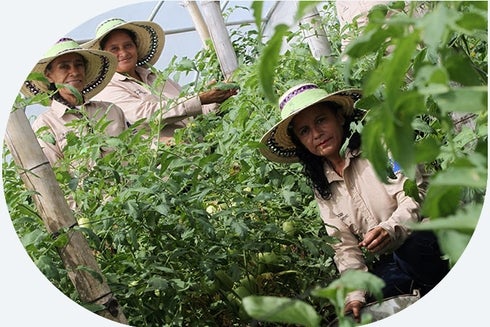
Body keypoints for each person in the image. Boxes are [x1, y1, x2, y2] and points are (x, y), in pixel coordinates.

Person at [259, 83, 450, 321]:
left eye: (321, 120)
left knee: (412, 253)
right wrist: (355, 295)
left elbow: (415, 193)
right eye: (305, 131)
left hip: (432, 234)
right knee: (369, 302)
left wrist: (390, 229)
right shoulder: (324, 187)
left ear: (339, 117)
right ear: (300, 142)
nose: (316, 134)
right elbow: (343, 245)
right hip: (398, 259)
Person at [82, 18, 237, 145]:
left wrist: (217, 98)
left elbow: (193, 115)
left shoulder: (156, 78)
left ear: (136, 47)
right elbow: (147, 115)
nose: (123, 53)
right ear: (105, 56)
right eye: (114, 49)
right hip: (165, 166)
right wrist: (200, 98)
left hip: (198, 151)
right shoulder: (108, 89)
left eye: (128, 45)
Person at [21, 37, 128, 167]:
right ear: (49, 76)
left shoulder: (111, 111)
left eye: (79, 65)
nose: (74, 72)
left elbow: (132, 154)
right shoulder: (45, 124)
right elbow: (58, 175)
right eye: (64, 67)